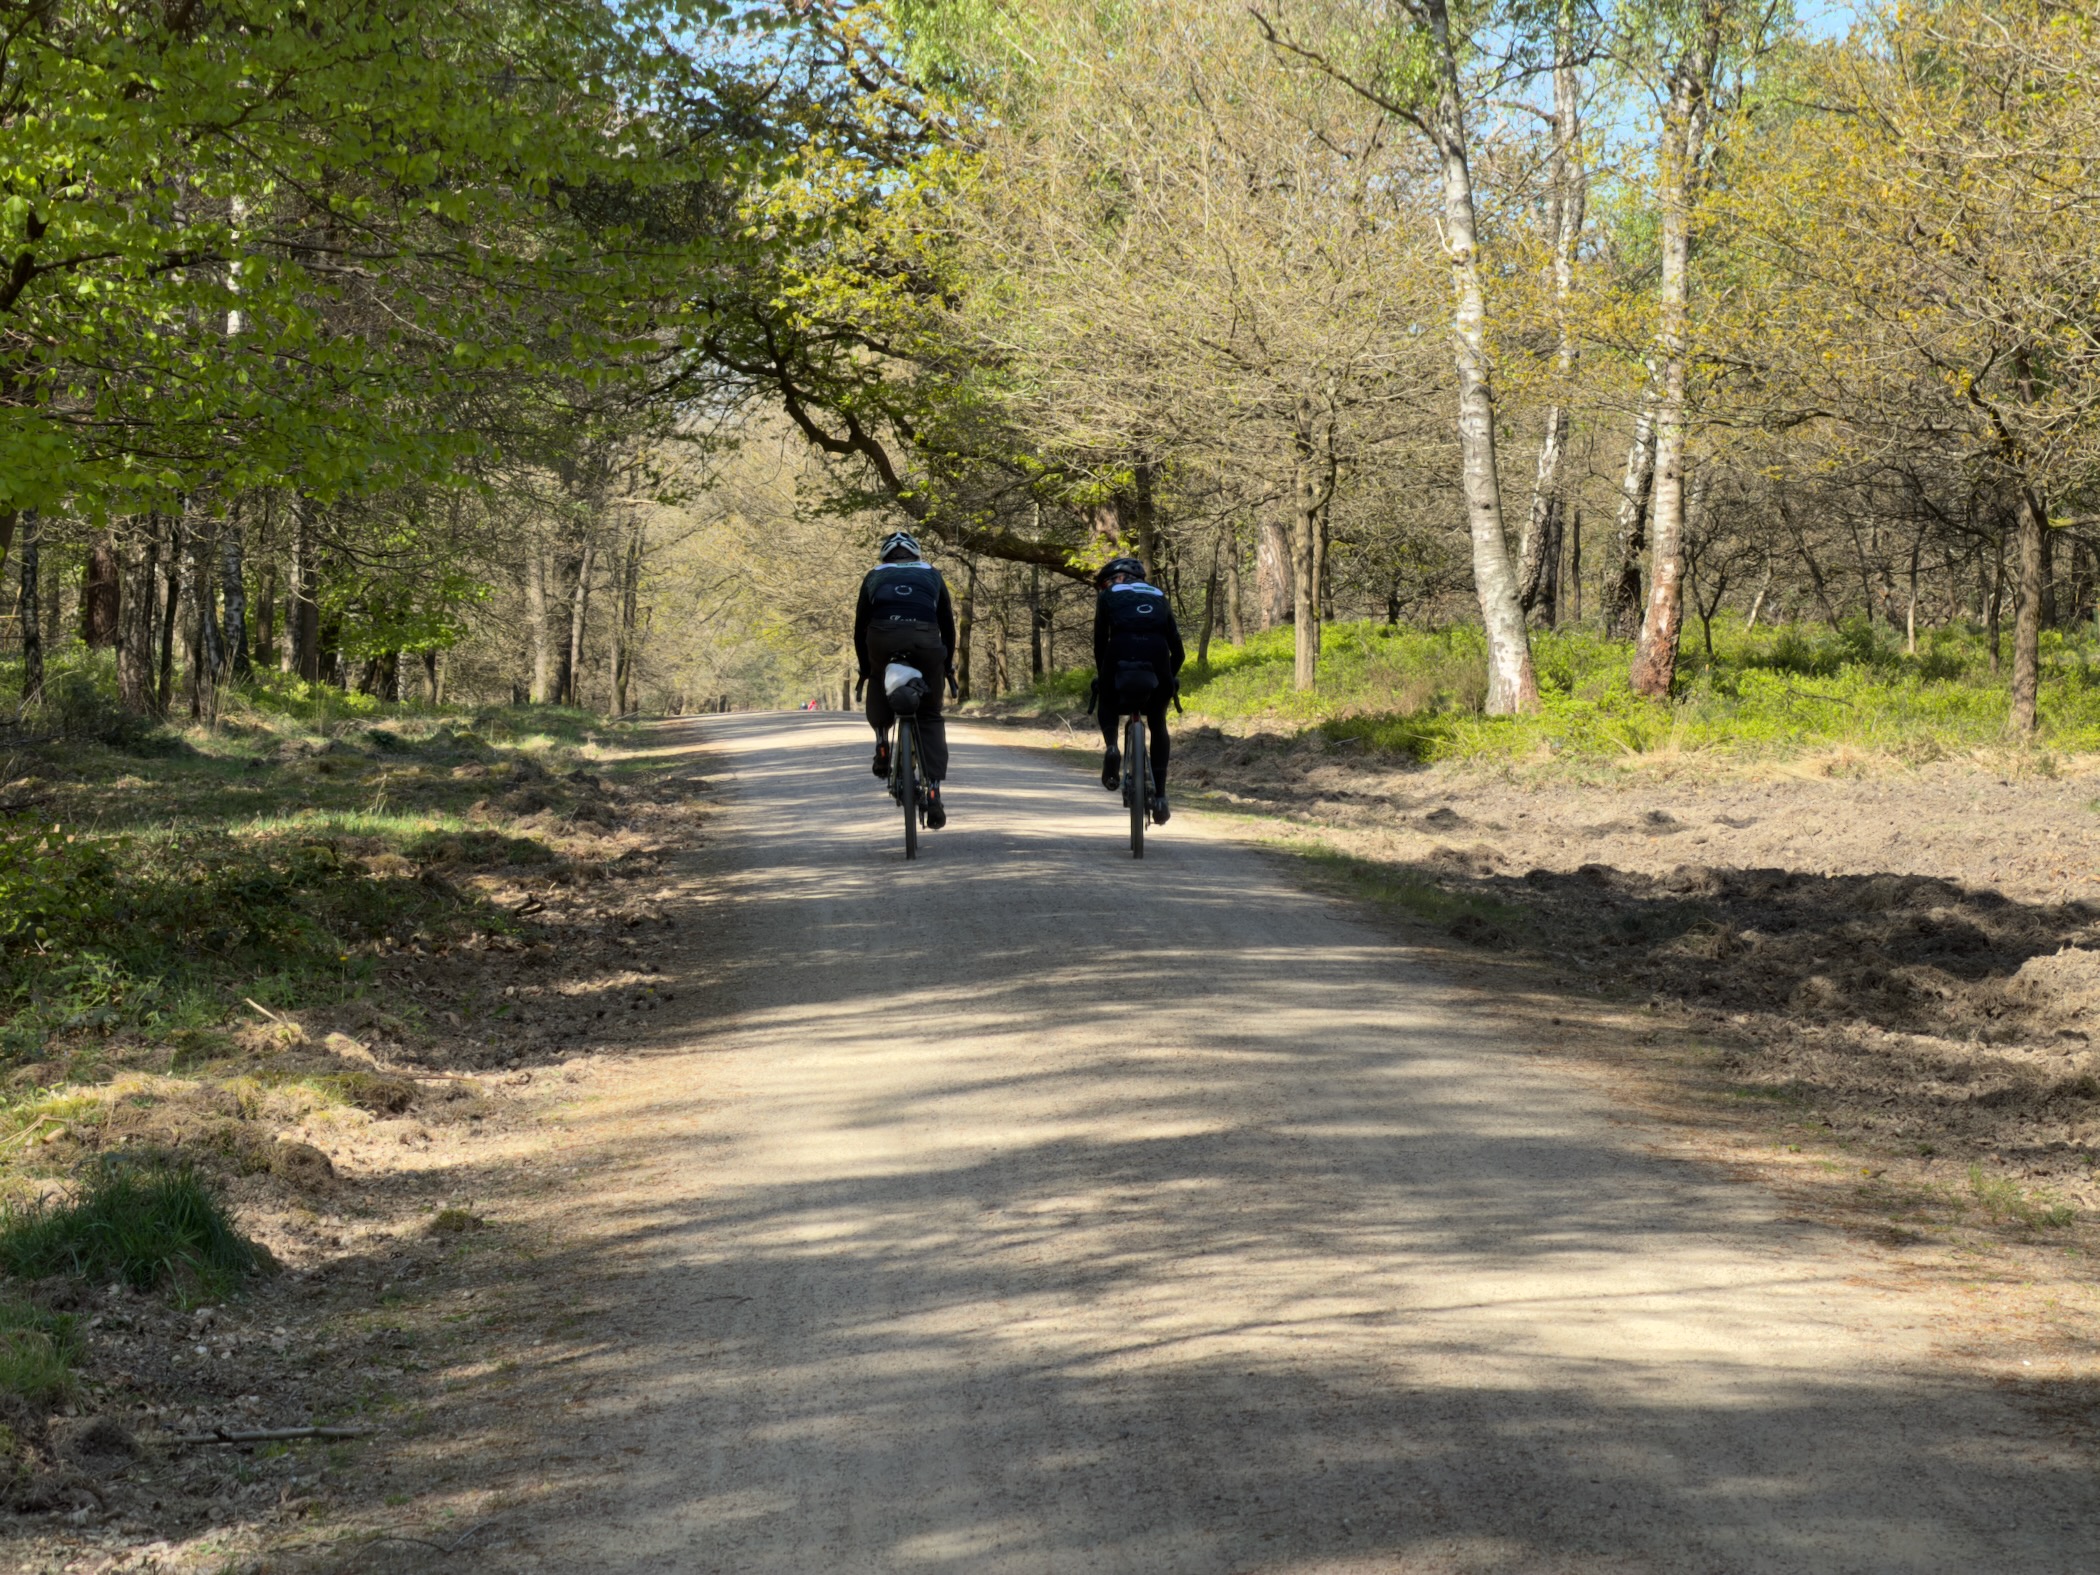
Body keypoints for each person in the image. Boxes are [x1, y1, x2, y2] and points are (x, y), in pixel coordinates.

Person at [855, 530, 956, 828]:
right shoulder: (932, 574)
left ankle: (882, 743)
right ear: (916, 555)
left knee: (878, 677)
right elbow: (947, 626)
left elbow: (860, 627)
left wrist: (865, 669)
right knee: (930, 714)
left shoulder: (873, 575)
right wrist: (947, 666)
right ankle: (934, 790)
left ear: (885, 556)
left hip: (881, 637)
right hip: (926, 639)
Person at [1093, 554, 1184, 823]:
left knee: (1107, 699)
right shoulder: (1158, 595)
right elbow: (1178, 650)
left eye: (1105, 583)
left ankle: (1111, 748)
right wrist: (1169, 678)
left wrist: (1103, 676)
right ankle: (1161, 797)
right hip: (1157, 658)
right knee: (1157, 722)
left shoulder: (1108, 597)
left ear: (1115, 579)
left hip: (1119, 651)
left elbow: (1100, 643)